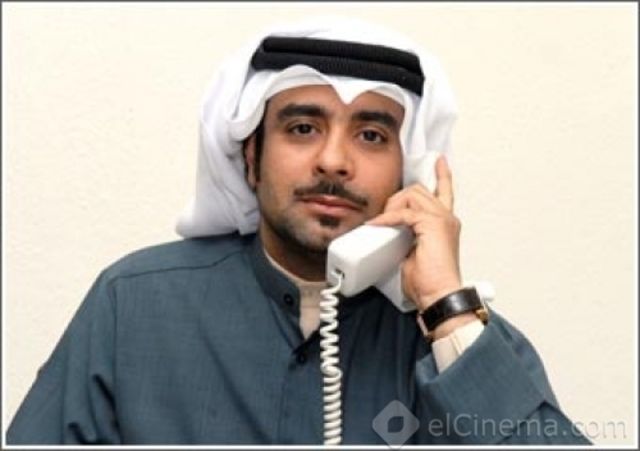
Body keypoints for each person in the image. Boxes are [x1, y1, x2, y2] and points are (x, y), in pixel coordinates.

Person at [6, 18, 590, 445]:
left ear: (408, 174)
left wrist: (446, 309)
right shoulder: (132, 303)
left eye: (371, 136)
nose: (334, 161)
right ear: (251, 158)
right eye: (303, 128)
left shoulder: (459, 335)